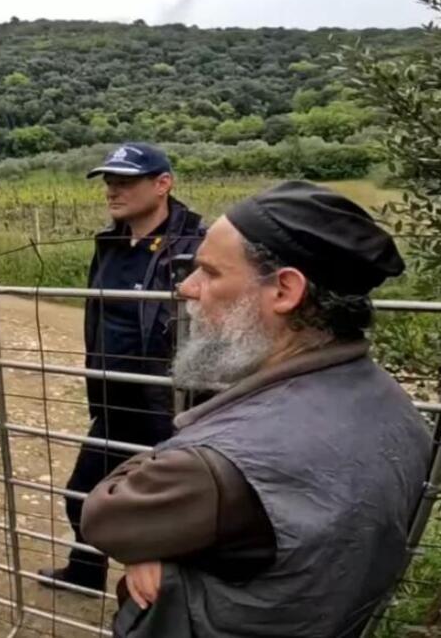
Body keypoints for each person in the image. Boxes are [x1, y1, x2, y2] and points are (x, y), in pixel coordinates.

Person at [80, 181, 430, 637]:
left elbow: (106, 517)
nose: (187, 288)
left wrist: (157, 543)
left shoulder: (215, 466)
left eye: (209, 272)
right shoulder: (394, 405)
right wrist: (168, 546)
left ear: (284, 290)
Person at [39, 142, 206, 591]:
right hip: (113, 398)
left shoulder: (197, 244)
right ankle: (86, 571)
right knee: (82, 495)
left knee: (170, 511)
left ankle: (162, 597)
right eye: (110, 181)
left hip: (168, 406)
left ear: (163, 184)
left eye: (126, 181)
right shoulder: (109, 243)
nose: (113, 190)